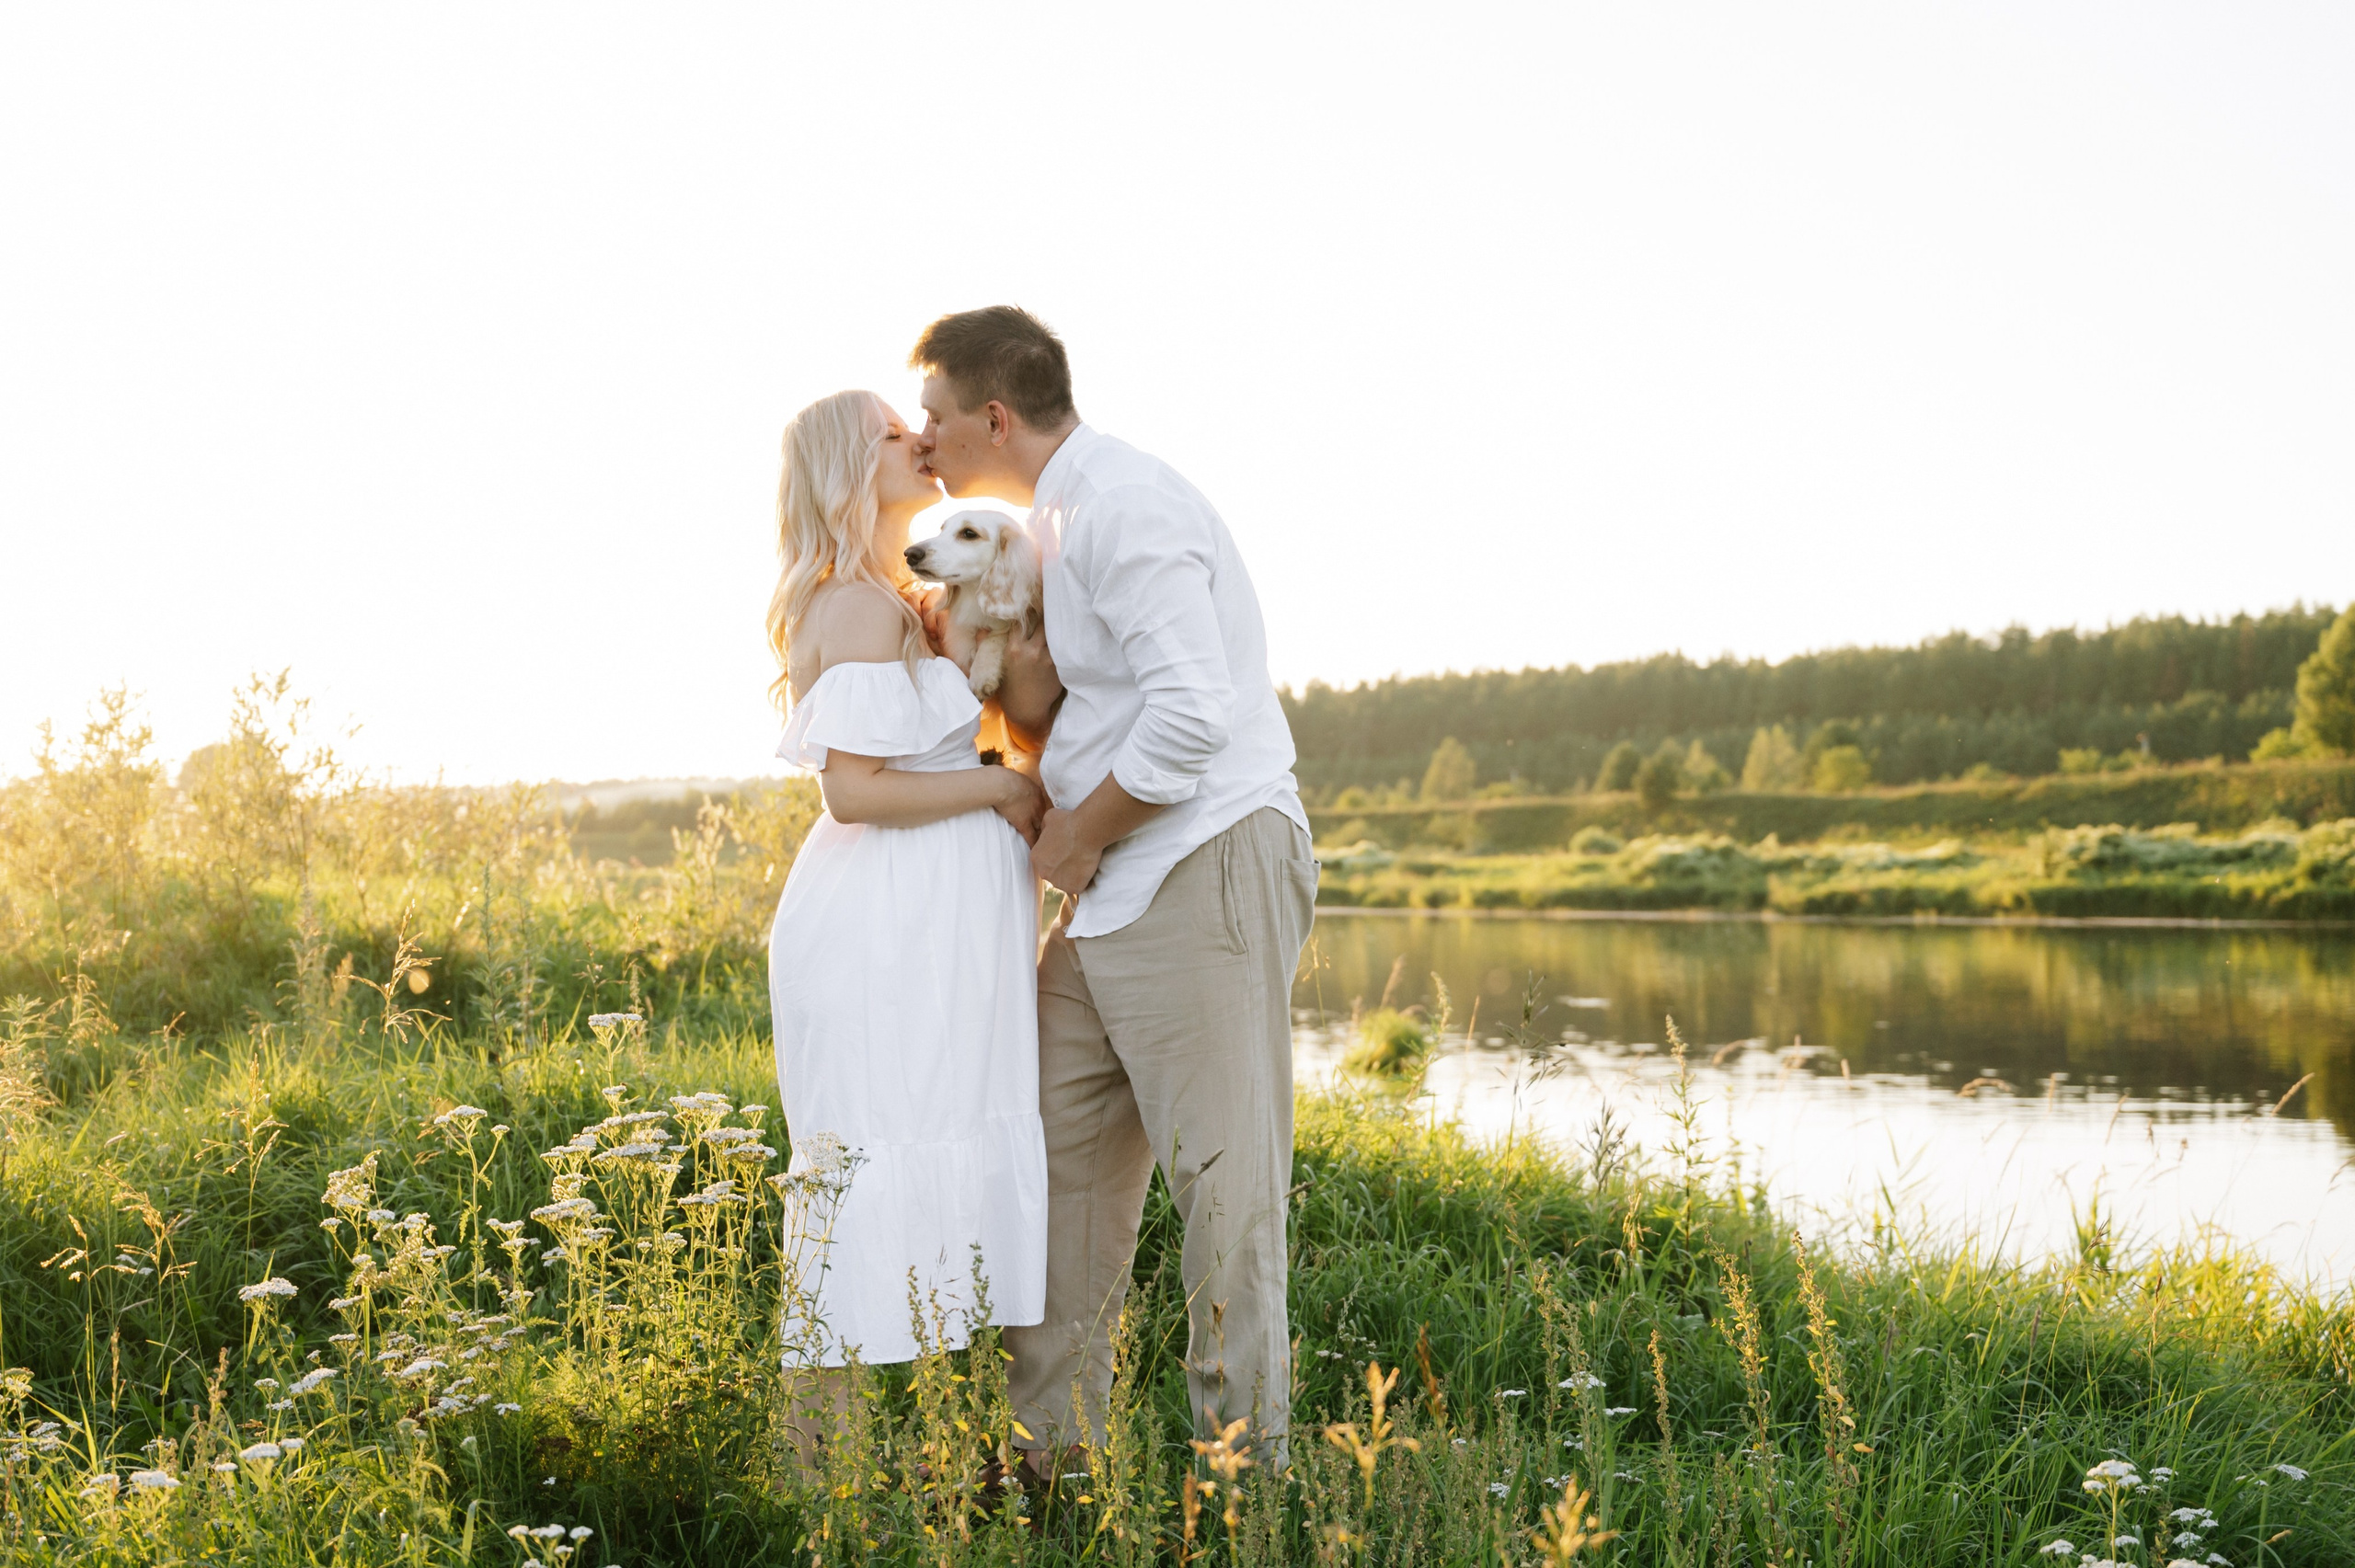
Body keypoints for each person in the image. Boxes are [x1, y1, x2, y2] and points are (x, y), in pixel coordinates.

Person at [908, 306, 1317, 1467]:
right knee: (1053, 1167)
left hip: (1199, 862)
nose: (923, 441)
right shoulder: (1044, 526)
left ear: (994, 416)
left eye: (934, 417)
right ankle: (1051, 1461)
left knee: (1225, 1194)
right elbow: (1082, 706)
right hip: (1107, 894)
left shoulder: (1125, 504)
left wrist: (1076, 837)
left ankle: (1239, 1487)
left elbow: (1191, 715)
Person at [763, 388, 1050, 1457]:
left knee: (926, 1171)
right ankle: (818, 1481)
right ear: (850, 468)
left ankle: (928, 1465)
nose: (919, 441)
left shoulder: (895, 596)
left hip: (930, 927)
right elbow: (854, 791)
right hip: (884, 928)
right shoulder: (854, 605)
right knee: (871, 1172)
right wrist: (1001, 788)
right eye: (892, 434)